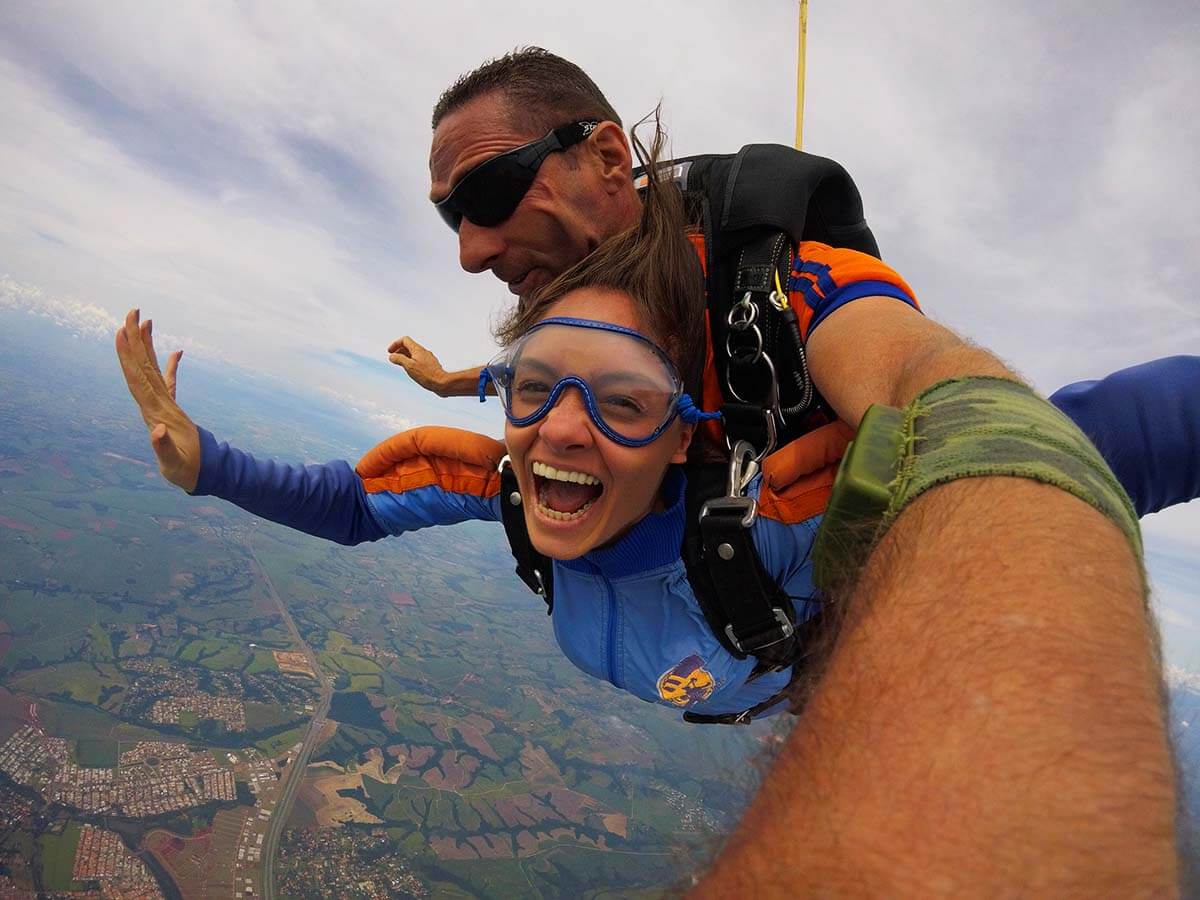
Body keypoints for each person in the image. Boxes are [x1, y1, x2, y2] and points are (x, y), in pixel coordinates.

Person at [398, 47, 1199, 520]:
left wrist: (988, 476)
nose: (470, 253)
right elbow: (578, 374)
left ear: (609, 159)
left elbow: (916, 374)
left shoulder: (769, 285)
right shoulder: (582, 325)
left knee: (1072, 443)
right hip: (727, 616)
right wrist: (450, 384)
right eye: (451, 219)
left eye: (492, 193)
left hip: (813, 564)